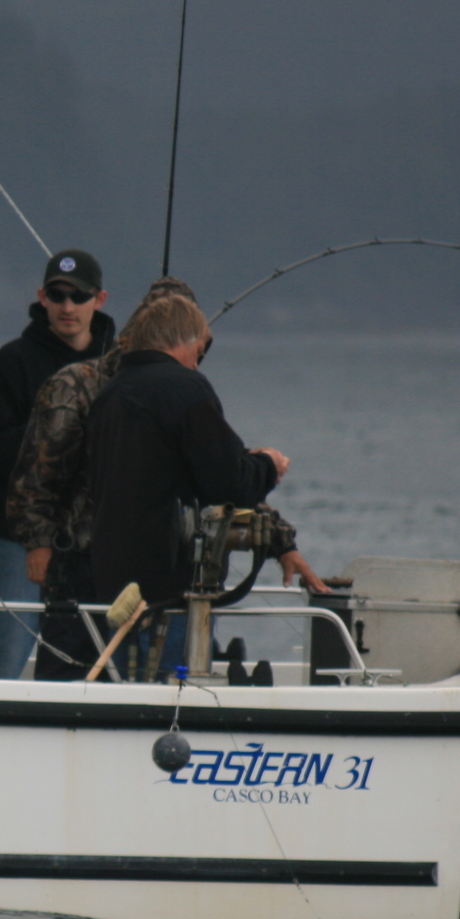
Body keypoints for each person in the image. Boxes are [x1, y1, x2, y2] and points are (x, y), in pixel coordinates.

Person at [7, 278, 334, 679]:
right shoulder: (78, 385)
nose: (198, 358)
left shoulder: (178, 388)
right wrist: (39, 544)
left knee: (167, 680)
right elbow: (35, 479)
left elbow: (208, 476)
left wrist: (281, 542)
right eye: (195, 345)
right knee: (76, 680)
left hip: (166, 573)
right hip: (81, 566)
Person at [83, 290, 307, 678]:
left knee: (124, 685)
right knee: (174, 692)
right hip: (171, 586)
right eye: (199, 351)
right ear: (184, 340)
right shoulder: (186, 389)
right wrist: (268, 465)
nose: (198, 363)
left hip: (114, 583)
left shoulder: (109, 395)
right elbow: (228, 483)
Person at [0, 248, 115, 677]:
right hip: (17, 542)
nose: (68, 306)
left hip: (92, 546)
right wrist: (55, 431)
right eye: (58, 294)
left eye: (79, 296)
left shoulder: (118, 366)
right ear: (42, 297)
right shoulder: (11, 363)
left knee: (94, 668)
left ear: (99, 300)